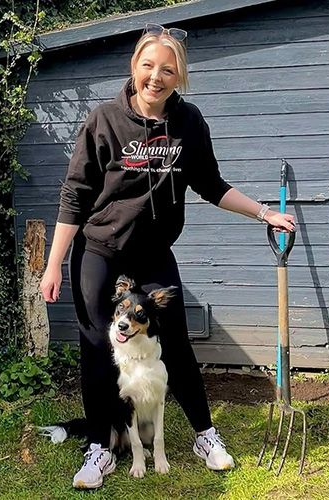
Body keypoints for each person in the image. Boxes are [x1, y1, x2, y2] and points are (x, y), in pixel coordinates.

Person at [40, 23, 296, 490]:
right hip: (100, 252)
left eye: (168, 69)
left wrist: (264, 213)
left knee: (175, 343)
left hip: (154, 255)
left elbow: (211, 185)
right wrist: (54, 262)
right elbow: (75, 195)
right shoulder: (104, 120)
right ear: (134, 67)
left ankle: (204, 434)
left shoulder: (189, 122)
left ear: (180, 76)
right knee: (99, 350)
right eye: (148, 66)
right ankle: (100, 447)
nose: (156, 77)